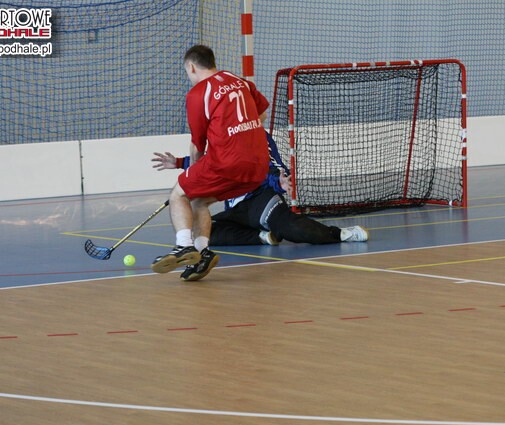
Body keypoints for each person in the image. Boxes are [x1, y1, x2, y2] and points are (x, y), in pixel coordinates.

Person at [151, 44, 271, 282]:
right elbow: (262, 114)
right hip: (259, 166)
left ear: (191, 67)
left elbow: (197, 145)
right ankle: (202, 253)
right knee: (199, 201)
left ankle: (183, 246)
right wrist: (240, 133)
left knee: (179, 194)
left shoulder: (198, 94)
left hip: (227, 162)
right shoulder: (239, 81)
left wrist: (192, 173)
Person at [153, 133, 369, 260]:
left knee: (293, 229)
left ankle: (341, 233)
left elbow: (272, 166)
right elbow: (208, 163)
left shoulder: (257, 136)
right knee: (205, 231)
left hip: (261, 200)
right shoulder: (220, 135)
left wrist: (279, 182)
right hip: (236, 209)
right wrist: (179, 163)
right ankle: (263, 237)